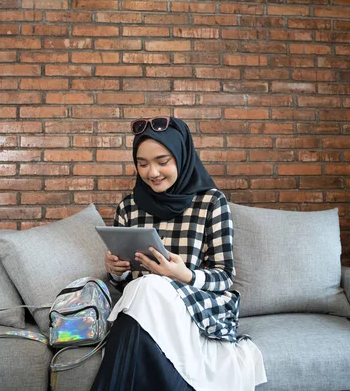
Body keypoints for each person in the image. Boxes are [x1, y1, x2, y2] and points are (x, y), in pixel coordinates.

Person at [91, 117, 266, 391]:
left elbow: (225, 277)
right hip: (146, 304)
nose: (152, 172)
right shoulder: (129, 207)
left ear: (182, 157)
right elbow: (126, 285)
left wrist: (182, 274)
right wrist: (118, 271)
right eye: (142, 163)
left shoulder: (211, 202)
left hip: (198, 304)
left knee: (148, 287)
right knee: (145, 287)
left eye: (163, 161)